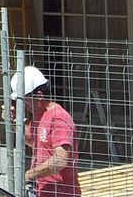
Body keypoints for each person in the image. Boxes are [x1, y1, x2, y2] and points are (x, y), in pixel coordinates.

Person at [12, 66, 80, 197]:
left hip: (62, 193)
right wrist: (14, 121)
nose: (22, 105)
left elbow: (61, 160)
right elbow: (33, 141)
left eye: (24, 100)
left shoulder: (59, 118)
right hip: (44, 191)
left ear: (39, 96)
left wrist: (29, 175)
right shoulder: (38, 114)